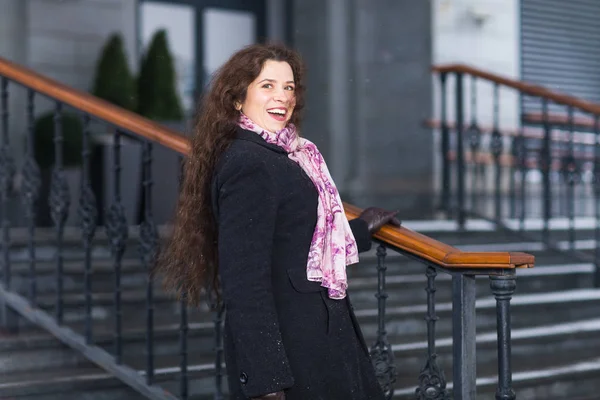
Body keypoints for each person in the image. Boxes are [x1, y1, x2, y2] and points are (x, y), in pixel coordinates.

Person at [158, 43, 401, 400]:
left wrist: (361, 230)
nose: (283, 96)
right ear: (237, 99)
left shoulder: (285, 154)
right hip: (294, 350)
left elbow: (294, 237)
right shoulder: (250, 163)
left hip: (316, 338)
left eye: (288, 87)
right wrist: (266, 380)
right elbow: (244, 280)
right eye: (267, 85)